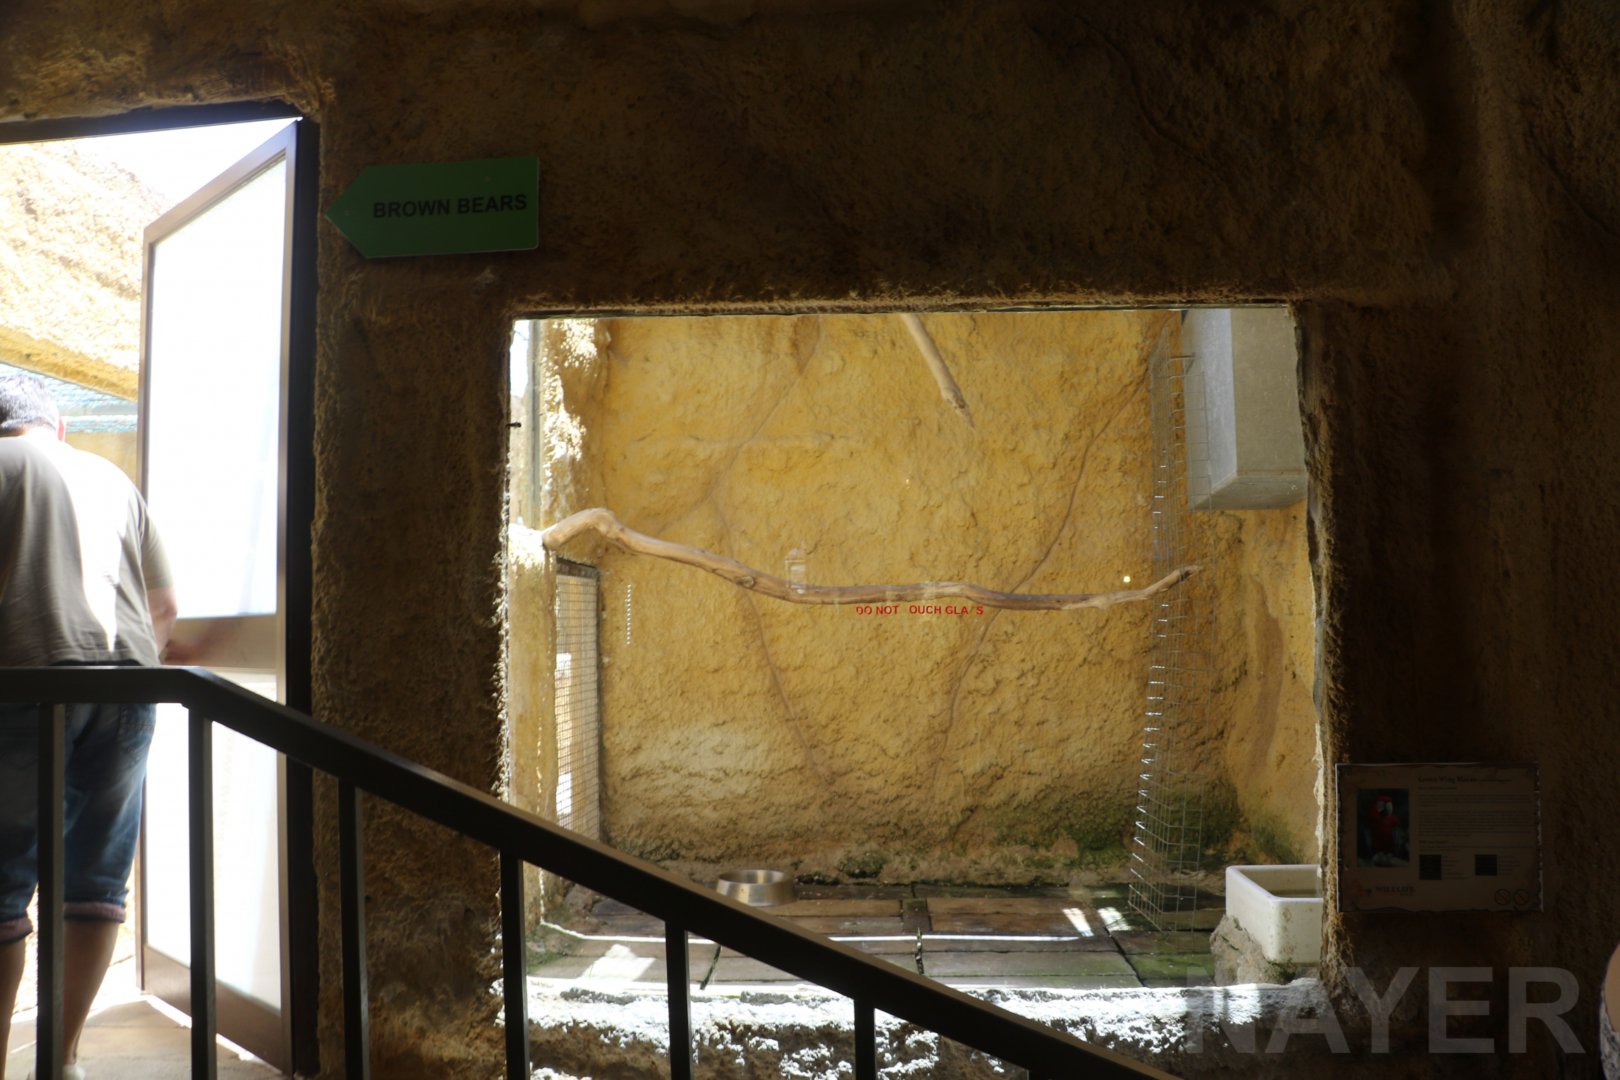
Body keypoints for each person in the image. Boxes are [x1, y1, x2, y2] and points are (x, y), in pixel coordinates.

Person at [0, 372, 177, 1080]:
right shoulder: (111, 477)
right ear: (58, 426)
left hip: (24, 681)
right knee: (97, 879)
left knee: (4, 879)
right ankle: (62, 1058)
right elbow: (164, 606)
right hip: (130, 686)